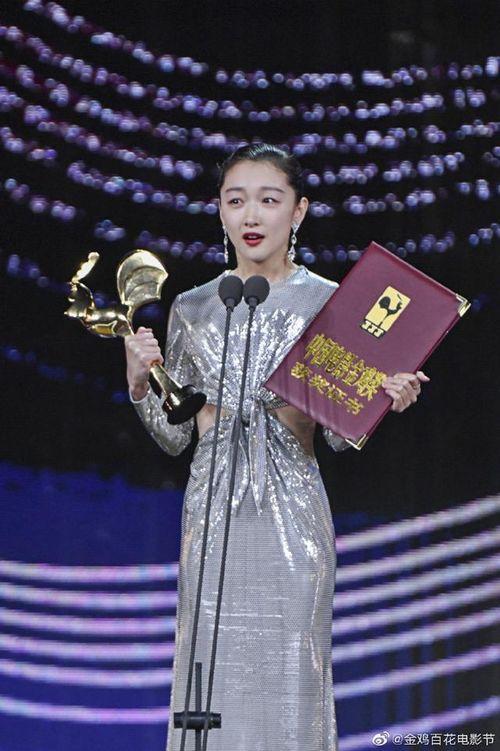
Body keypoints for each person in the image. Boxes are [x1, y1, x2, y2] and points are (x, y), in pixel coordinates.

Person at [124, 144, 429, 751]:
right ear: (220, 210)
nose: (252, 215)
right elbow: (176, 436)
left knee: (293, 676)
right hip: (211, 513)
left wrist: (384, 400)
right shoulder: (193, 308)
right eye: (236, 200)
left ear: (299, 211)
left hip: (292, 516)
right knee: (208, 678)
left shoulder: (332, 302)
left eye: (269, 199)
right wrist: (138, 385)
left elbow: (338, 435)